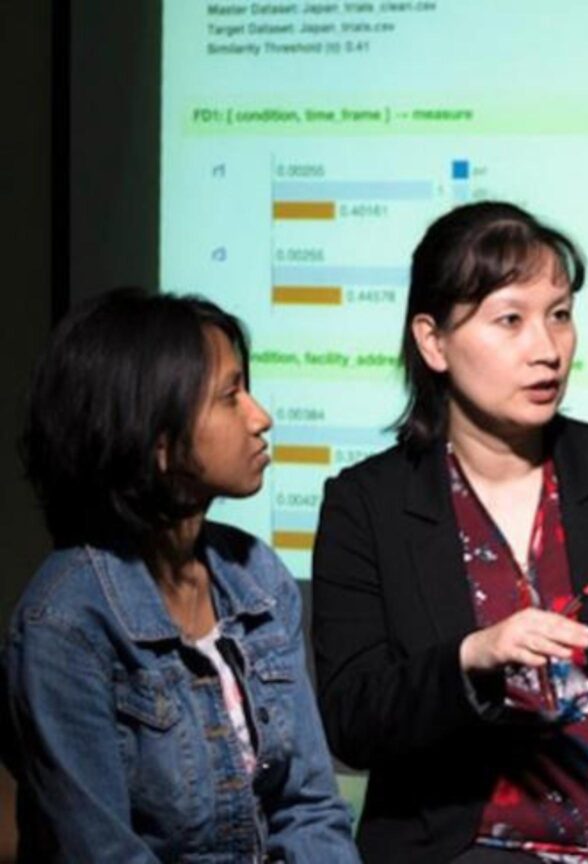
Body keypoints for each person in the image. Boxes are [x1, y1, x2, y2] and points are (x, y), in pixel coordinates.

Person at [311, 201, 588, 863]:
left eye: (560, 315)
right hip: (473, 848)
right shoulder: (367, 504)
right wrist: (473, 656)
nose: (547, 349)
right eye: (510, 320)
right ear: (433, 341)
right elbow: (352, 723)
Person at [6, 288, 358, 862]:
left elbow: (310, 806)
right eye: (230, 396)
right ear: (158, 443)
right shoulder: (64, 626)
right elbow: (101, 853)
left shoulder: (257, 576)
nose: (260, 417)